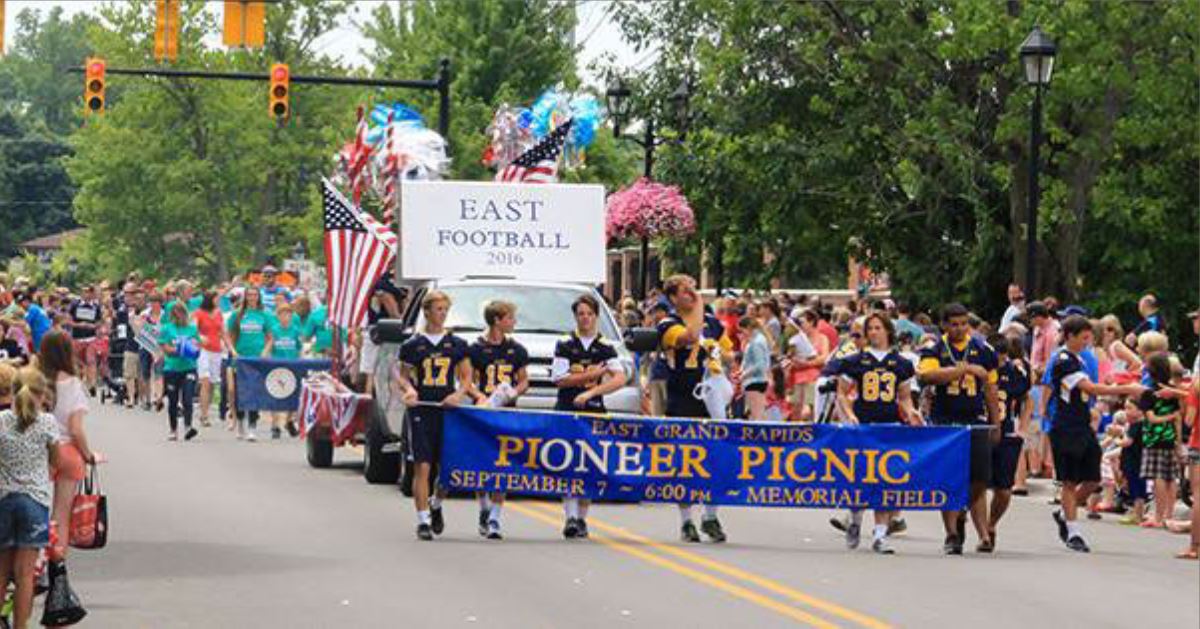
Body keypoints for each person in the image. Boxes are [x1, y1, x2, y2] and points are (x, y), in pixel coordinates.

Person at [1048, 315, 1144, 552]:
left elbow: (1092, 389)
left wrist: (1116, 381)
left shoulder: (1080, 359)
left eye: (1089, 338)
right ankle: (1073, 532)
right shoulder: (1062, 360)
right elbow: (1089, 388)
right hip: (1066, 426)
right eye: (1083, 338)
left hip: (1083, 424)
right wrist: (1126, 388)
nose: (1087, 343)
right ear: (1069, 336)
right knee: (1069, 480)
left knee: (1093, 479)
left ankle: (1064, 512)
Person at [917, 303, 1001, 555]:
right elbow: (928, 377)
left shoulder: (983, 349)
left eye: (964, 323)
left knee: (979, 478)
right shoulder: (935, 348)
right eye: (954, 324)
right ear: (944, 325)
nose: (959, 328)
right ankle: (952, 534)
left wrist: (995, 422)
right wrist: (962, 369)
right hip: (945, 420)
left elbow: (991, 388)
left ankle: (963, 509)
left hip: (975, 418)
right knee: (948, 477)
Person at [835, 313, 921, 554]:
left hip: (889, 426)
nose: (872, 333)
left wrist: (911, 412)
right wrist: (849, 413)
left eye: (876, 328)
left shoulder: (901, 363)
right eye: (869, 329)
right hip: (864, 423)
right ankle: (854, 519)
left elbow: (903, 397)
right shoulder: (855, 361)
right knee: (860, 477)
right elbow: (842, 392)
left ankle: (880, 534)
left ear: (887, 331)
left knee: (884, 480)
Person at [657, 275, 731, 543]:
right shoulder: (668, 324)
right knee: (684, 462)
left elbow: (729, 351)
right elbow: (689, 336)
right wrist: (700, 302)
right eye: (685, 292)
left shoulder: (712, 323)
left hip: (710, 398)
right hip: (682, 398)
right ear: (674, 298)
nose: (691, 295)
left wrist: (719, 361)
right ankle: (686, 521)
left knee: (716, 458)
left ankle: (710, 516)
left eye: (693, 291)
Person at [395, 291, 472, 541]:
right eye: (437, 309)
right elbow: (401, 375)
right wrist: (409, 389)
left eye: (444, 309)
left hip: (446, 409)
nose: (441, 314)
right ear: (426, 312)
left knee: (448, 468)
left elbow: (466, 377)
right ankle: (423, 520)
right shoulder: (413, 345)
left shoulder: (457, 344)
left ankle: (436, 502)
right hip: (422, 408)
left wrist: (459, 395)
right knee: (422, 465)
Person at [551, 294, 628, 539]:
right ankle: (570, 516)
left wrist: (593, 390)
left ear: (596, 316)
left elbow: (619, 377)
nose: (585, 318)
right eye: (581, 314)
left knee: (590, 464)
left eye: (589, 314)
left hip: (593, 408)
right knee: (568, 462)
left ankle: (582, 517)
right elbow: (560, 379)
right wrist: (590, 375)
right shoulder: (565, 344)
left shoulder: (605, 347)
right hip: (567, 408)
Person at [0, 367, 61, 629]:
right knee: (25, 575)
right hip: (35, 502)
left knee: (1, 572)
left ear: (12, 392)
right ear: (41, 394)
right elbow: (56, 460)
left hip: (4, 499)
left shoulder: (1, 420)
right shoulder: (47, 422)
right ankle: (21, 626)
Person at [467, 300, 530, 540]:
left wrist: (513, 393)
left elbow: (524, 379)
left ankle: (495, 516)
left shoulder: (516, 349)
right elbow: (468, 380)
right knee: (483, 461)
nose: (513, 322)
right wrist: (479, 396)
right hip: (484, 411)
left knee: (503, 463)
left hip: (507, 412)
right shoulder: (476, 349)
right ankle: (484, 506)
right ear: (497, 320)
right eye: (510, 318)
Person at [38, 330, 100, 563]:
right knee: (61, 514)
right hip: (68, 452)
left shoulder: (35, 381)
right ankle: (57, 567)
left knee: (38, 512)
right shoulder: (73, 383)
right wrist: (88, 454)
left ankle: (35, 565)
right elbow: (75, 428)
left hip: (40, 451)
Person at [988, 335, 1032, 547]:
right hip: (982, 431)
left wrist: (1023, 427)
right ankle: (969, 522)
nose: (999, 362)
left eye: (1002, 358)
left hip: (1006, 431)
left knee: (1004, 489)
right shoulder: (979, 370)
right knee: (974, 484)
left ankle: (991, 524)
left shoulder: (1013, 373)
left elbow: (1026, 399)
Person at [1137, 352, 1183, 529]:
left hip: (1153, 439)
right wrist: (1178, 442)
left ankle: (1158, 515)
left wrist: (1167, 416)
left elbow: (1151, 418)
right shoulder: (1171, 390)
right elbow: (1178, 418)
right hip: (1170, 439)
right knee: (1171, 477)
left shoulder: (1148, 392)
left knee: (1158, 477)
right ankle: (1168, 515)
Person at [226, 287, 272, 441]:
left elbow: (270, 337)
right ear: (245, 297)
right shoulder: (237, 314)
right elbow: (228, 335)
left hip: (256, 359)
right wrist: (232, 350)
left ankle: (252, 427)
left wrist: (265, 351)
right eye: (250, 295)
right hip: (240, 358)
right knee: (239, 392)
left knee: (254, 392)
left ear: (259, 297)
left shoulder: (264, 315)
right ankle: (240, 422)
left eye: (255, 295)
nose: (252, 297)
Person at [158, 302, 201, 442]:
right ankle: (173, 429)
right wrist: (180, 350)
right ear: (171, 315)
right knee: (173, 400)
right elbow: (165, 348)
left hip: (189, 368)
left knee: (188, 398)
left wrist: (193, 349)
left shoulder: (192, 329)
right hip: (172, 369)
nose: (179, 316)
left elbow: (197, 346)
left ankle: (188, 427)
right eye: (175, 313)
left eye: (181, 312)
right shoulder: (166, 329)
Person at [263, 301, 303, 439]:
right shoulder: (274, 330)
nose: (285, 317)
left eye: (288, 314)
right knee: (276, 396)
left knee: (293, 395)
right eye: (282, 314)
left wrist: (301, 361)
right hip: (277, 367)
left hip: (292, 366)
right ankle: (275, 425)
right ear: (278, 316)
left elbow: (299, 348)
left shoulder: (296, 330)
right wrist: (264, 356)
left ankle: (289, 421)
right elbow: (269, 345)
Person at [193, 291, 226, 428]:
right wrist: (200, 338)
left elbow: (223, 331)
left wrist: (229, 347)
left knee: (212, 383)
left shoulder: (219, 313)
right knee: (205, 381)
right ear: (209, 299)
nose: (218, 301)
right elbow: (193, 329)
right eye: (216, 299)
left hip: (216, 350)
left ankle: (205, 407)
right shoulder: (199, 313)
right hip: (203, 350)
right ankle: (204, 415)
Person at [67, 285, 103, 396]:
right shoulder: (75, 305)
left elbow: (99, 321)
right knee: (77, 363)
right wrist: (79, 324)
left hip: (91, 338)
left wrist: (94, 326)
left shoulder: (96, 307)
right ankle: (78, 385)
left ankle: (92, 385)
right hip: (77, 338)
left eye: (89, 292)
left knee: (90, 360)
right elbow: (68, 320)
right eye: (85, 292)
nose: (87, 294)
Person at [738, 316, 771, 421]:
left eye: (742, 331)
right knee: (761, 413)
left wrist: (744, 374)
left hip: (754, 381)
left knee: (756, 415)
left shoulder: (756, 342)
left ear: (747, 328)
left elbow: (759, 365)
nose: (741, 334)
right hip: (759, 380)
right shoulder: (759, 339)